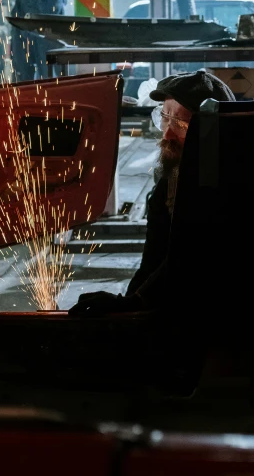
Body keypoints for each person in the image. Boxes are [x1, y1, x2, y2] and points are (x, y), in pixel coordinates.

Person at [69, 69, 235, 317]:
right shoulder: (169, 182)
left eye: (181, 123)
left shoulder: (227, 183)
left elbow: (191, 251)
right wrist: (127, 306)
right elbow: (154, 257)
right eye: (166, 118)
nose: (168, 134)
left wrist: (138, 301)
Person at [10, 0, 69, 81]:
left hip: (47, 28)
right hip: (25, 26)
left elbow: (56, 5)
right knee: (23, 73)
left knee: (47, 76)